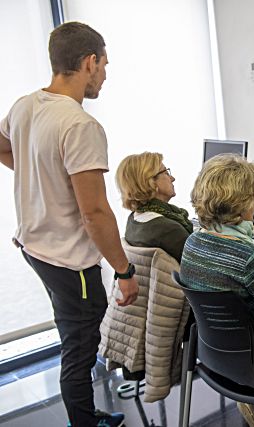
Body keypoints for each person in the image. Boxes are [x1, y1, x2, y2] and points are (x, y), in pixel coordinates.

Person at [0, 22, 139, 427]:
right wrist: (123, 271)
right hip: (68, 260)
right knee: (79, 347)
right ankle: (83, 422)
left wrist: (37, 173)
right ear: (89, 62)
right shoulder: (80, 125)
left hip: (35, 248)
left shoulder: (27, 105)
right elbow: (94, 212)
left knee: (73, 338)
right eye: (105, 65)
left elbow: (3, 144)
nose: (106, 75)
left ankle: (85, 415)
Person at [181, 154, 254, 427]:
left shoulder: (192, 243)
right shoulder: (249, 259)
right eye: (252, 196)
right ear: (240, 205)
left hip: (212, 354)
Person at [115, 152, 192, 262]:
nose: (172, 178)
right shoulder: (168, 229)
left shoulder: (134, 219)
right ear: (150, 182)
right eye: (166, 173)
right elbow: (203, 269)